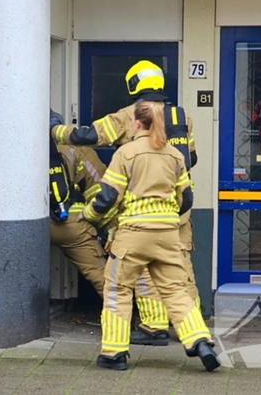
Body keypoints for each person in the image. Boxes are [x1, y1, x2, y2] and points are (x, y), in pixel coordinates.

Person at [51, 60, 200, 346]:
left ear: (133, 85)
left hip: (141, 212)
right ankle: (188, 329)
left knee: (142, 268)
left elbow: (88, 136)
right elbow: (190, 159)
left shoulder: (130, 115)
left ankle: (149, 330)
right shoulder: (182, 116)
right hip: (179, 206)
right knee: (178, 266)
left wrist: (56, 131)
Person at [80, 101, 219, 372]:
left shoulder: (126, 153)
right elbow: (186, 197)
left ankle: (114, 353)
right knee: (175, 290)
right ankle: (199, 340)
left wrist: (90, 215)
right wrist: (165, 217)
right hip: (168, 235)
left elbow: (107, 197)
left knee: (117, 290)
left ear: (137, 123)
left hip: (133, 235)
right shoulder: (175, 155)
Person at [48, 114, 109, 297]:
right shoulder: (76, 147)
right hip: (71, 225)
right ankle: (123, 318)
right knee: (103, 277)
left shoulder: (12, 143)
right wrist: (104, 226)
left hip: (26, 225)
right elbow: (100, 189)